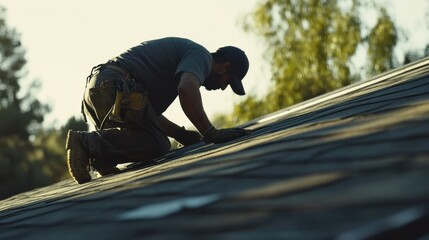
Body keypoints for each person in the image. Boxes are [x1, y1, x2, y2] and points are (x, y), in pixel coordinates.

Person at [66, 37, 251, 184]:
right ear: (225, 67)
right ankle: (85, 144)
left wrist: (180, 134)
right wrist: (210, 133)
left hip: (98, 90)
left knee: (151, 137)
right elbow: (186, 89)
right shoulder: (202, 56)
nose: (224, 87)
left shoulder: (187, 56)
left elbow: (150, 114)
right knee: (157, 144)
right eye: (229, 81)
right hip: (113, 87)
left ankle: (100, 157)